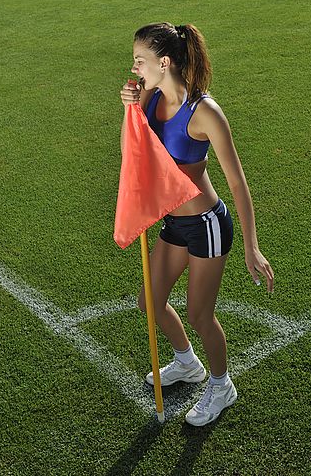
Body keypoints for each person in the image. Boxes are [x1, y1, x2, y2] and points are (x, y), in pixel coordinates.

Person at [120, 22, 274, 427]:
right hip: (173, 221)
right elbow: (132, 153)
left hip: (206, 224)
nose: (135, 67)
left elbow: (237, 184)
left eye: (140, 60)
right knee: (149, 302)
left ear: (164, 61)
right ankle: (188, 363)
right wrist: (130, 109)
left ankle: (222, 385)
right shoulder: (149, 98)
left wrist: (251, 246)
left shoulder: (204, 111)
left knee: (200, 315)